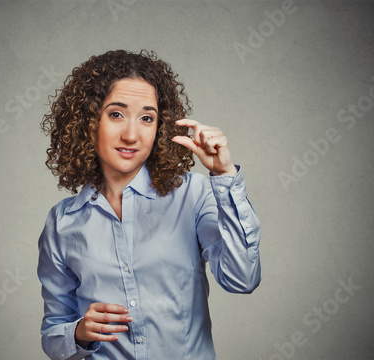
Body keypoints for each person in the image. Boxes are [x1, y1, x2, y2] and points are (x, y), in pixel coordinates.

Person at [37, 49, 261, 360]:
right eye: (116, 114)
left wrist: (223, 175)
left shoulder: (193, 195)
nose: (131, 134)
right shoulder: (62, 223)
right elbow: (53, 332)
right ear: (88, 121)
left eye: (146, 118)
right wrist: (78, 333)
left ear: (160, 128)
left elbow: (243, 279)